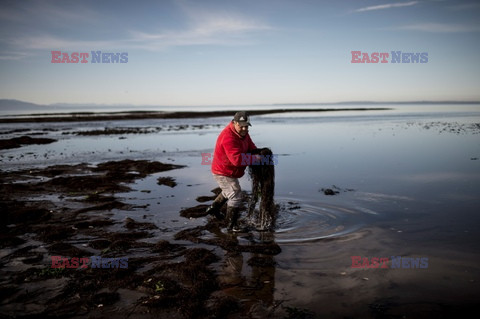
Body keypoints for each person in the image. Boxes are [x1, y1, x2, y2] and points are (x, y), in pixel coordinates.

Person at [206, 111, 258, 232]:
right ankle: (231, 226)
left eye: (247, 126)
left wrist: (260, 154)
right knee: (235, 195)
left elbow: (251, 147)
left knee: (228, 190)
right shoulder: (228, 137)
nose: (244, 128)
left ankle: (213, 209)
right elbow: (237, 160)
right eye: (241, 126)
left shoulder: (244, 134)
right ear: (234, 123)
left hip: (230, 170)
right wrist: (256, 159)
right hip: (222, 171)